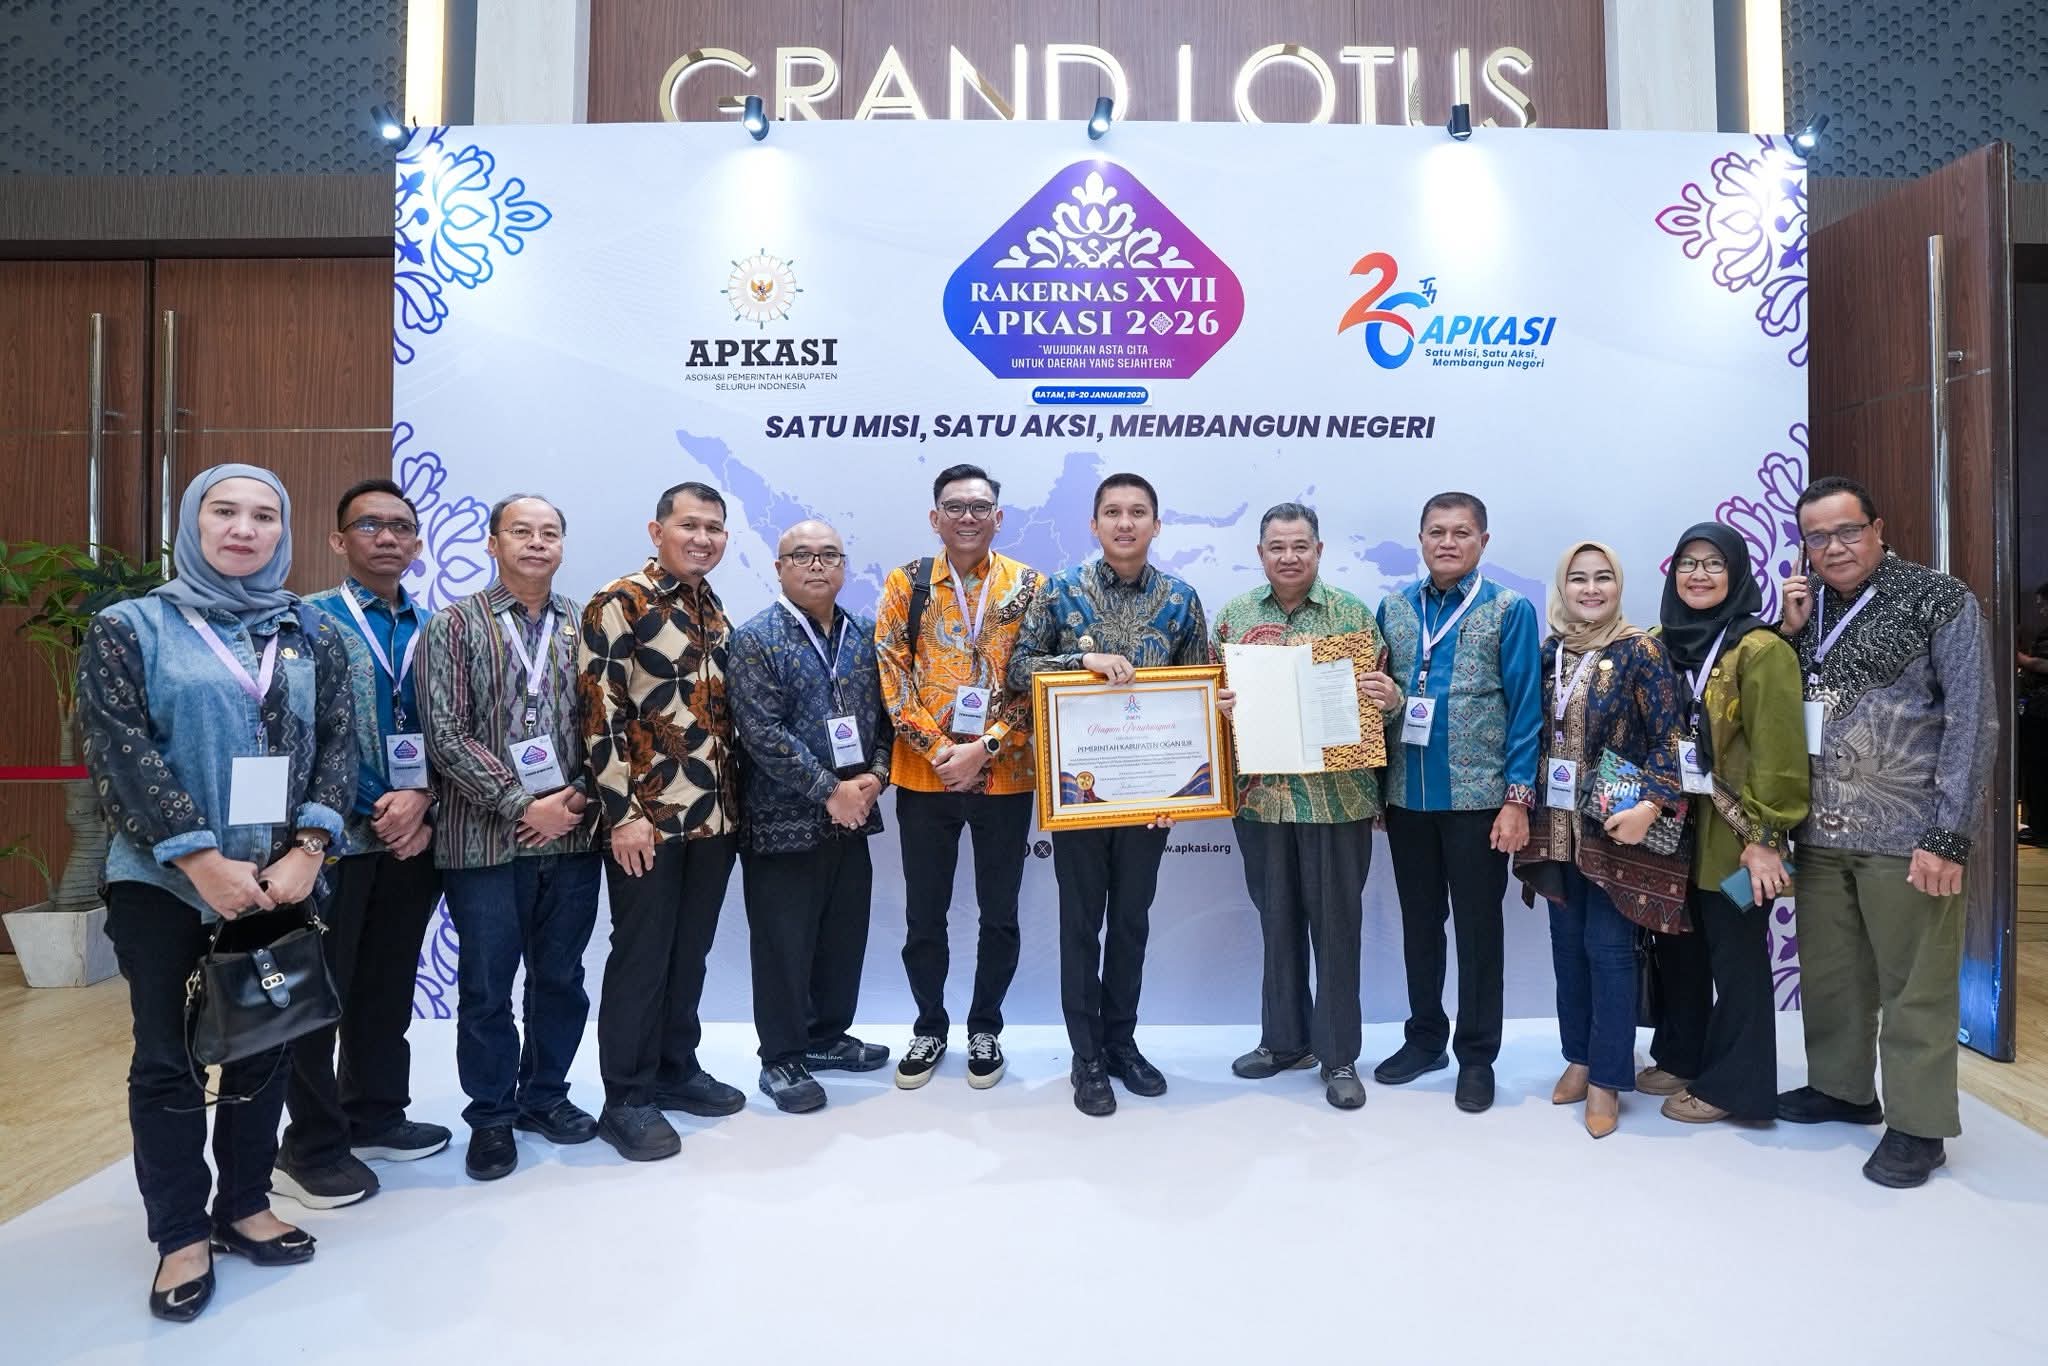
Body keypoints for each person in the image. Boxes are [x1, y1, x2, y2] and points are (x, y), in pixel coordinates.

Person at [78, 464, 354, 1321]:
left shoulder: (309, 630)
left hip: (281, 881)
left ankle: (243, 1205)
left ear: (284, 530)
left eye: (264, 515)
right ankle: (180, 1232)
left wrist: (310, 848)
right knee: (168, 1058)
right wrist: (200, 859)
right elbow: (118, 750)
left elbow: (340, 744)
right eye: (224, 511)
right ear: (193, 522)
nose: (244, 528)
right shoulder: (131, 627)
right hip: (165, 886)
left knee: (264, 1044)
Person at [1776, 475, 1996, 1188]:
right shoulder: (1805, 610)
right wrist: (1787, 634)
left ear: (1878, 528)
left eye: (1847, 531)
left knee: (1916, 985)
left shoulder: (1939, 599)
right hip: (1818, 832)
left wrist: (1949, 836)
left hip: (1908, 834)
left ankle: (1919, 1127)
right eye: (1817, 537)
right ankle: (1842, 1090)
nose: (1833, 547)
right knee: (1833, 975)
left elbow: (1972, 721)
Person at [1010, 472, 1208, 1117]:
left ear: (1156, 524)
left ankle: (1122, 1043)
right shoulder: (1060, 590)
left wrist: (1186, 785)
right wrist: (1081, 663)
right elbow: (1017, 669)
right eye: (1113, 512)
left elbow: (1198, 688)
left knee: (1131, 922)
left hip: (1151, 798)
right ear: (1094, 525)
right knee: (1080, 925)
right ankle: (1086, 1055)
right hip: (1079, 794)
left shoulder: (1182, 599)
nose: (1126, 523)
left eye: (1138, 512)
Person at [276, 479, 449, 1211]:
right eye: (369, 525)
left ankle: (374, 1114)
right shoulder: (305, 621)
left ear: (417, 544)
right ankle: (309, 1147)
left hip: (412, 839)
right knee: (320, 996)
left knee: (387, 985)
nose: (387, 537)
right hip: (329, 842)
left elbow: (455, 728)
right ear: (338, 540)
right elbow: (293, 732)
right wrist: (370, 804)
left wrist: (423, 798)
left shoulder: (437, 628)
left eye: (401, 527)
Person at [419, 493, 601, 1183]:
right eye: (520, 531)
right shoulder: (453, 625)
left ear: (562, 546)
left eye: (549, 532)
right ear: (493, 543)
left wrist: (575, 795)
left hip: (572, 841)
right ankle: (492, 1116)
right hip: (483, 843)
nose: (536, 543)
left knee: (561, 980)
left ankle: (545, 1097)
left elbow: (608, 724)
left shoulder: (587, 624)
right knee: (486, 989)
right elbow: (445, 733)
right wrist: (523, 803)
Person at [576, 482, 747, 1161]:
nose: (703, 538)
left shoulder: (712, 606)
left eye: (714, 528)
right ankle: (626, 1097)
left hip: (714, 817)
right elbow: (599, 715)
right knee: (641, 956)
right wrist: (621, 814)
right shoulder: (620, 602)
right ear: (657, 531)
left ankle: (676, 1068)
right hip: (646, 820)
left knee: (690, 951)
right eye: (689, 525)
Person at [1211, 503, 1402, 1110]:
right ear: (1260, 553)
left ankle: (1338, 1054)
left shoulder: (1352, 615)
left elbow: (1379, 709)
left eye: (1300, 546)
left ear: (1319, 551)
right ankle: (1284, 1042)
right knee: (1277, 923)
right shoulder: (1234, 617)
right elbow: (1208, 703)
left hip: (1338, 801)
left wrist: (1391, 699)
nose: (1288, 557)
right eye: (1277, 547)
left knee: (1337, 929)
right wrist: (1216, 706)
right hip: (1261, 801)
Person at [873, 464, 1042, 1091]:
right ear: (934, 517)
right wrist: (944, 752)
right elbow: (892, 676)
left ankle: (986, 1027)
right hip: (925, 778)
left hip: (1006, 776)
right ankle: (929, 1026)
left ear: (998, 517)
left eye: (979, 507)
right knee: (925, 913)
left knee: (999, 914)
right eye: (954, 506)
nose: (967, 517)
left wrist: (985, 747)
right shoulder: (907, 582)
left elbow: (1037, 679)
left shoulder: (1030, 586)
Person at [1511, 542, 1689, 1138]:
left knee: (1609, 951)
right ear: (1563, 588)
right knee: (1566, 948)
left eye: (1603, 578)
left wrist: (1650, 806)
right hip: (1556, 829)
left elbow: (1671, 741)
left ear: (1619, 586)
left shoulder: (1641, 651)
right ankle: (1580, 1057)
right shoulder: (1550, 652)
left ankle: (1609, 1077)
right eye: (1579, 579)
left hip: (1615, 829)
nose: (1591, 589)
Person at [1373, 492, 1542, 1113]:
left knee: (1477, 931)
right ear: (1420, 539)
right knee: (1420, 925)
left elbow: (1526, 709)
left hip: (1480, 802)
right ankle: (1425, 1039)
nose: (1448, 542)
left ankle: (1476, 1056)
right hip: (1407, 799)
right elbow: (1376, 698)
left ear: (1483, 542)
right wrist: (1376, 790)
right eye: (1437, 532)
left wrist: (1517, 800)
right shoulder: (1394, 609)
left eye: (1461, 532)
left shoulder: (1508, 610)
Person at [1641, 524, 1809, 1125]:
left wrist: (1766, 840)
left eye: (1714, 563)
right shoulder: (1657, 643)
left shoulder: (1760, 649)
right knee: (1678, 948)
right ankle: (1682, 1055)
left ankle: (1734, 1086)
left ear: (1737, 573)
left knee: (1736, 959)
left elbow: (1780, 754)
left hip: (1737, 839)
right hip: (1670, 831)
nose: (1700, 575)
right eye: (1688, 563)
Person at [730, 520, 894, 1112]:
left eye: (829, 554)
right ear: (779, 568)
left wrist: (876, 777)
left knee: (842, 937)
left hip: (853, 819)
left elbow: (888, 716)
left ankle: (825, 1038)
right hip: (783, 824)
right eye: (802, 555)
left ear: (844, 566)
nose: (817, 565)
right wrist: (830, 790)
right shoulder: (754, 639)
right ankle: (781, 1058)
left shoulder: (865, 633)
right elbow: (761, 733)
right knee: (783, 944)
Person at [2015, 584, 2048, 842]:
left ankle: (2042, 829)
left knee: (2040, 770)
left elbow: (2043, 664)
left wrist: (2018, 658)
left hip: (2044, 711)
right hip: (2038, 709)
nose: (2041, 610)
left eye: (2044, 604)